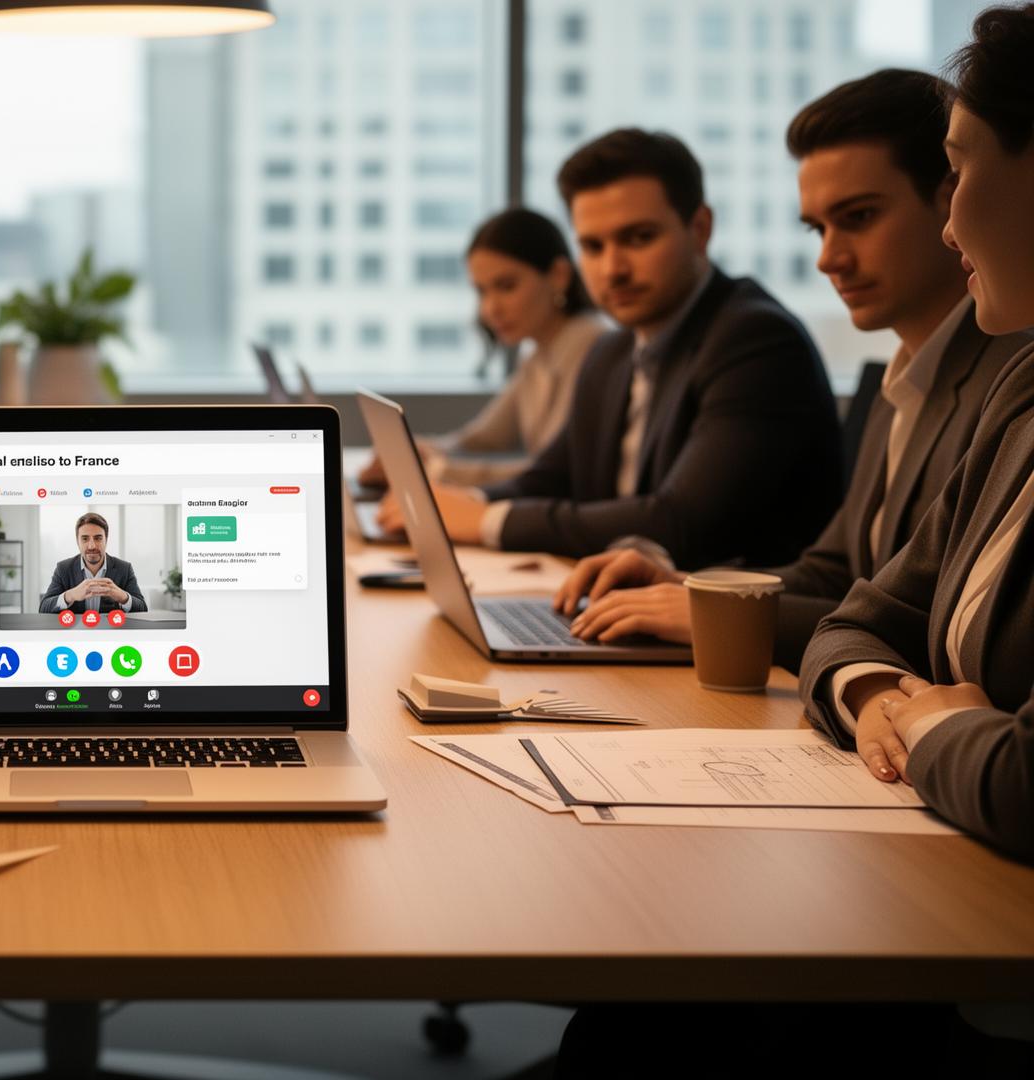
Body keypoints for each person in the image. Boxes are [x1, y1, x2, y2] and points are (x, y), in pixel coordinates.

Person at [551, 69, 1032, 669]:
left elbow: (935, 622)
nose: (828, 258)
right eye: (818, 228)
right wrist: (691, 588)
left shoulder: (1009, 380)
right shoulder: (900, 375)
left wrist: (721, 613)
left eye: (857, 217)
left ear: (948, 197)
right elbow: (836, 572)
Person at [379, 129, 843, 569]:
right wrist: (462, 505)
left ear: (699, 228)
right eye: (593, 246)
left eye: (638, 238)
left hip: (732, 636)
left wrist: (484, 521)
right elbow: (552, 477)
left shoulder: (755, 340)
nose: (612, 268)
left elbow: (681, 524)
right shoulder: (614, 351)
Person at [798, 1, 1034, 862]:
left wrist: (938, 729)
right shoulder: (1025, 392)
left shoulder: (999, 372)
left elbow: (1021, 781)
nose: (950, 220)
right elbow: (855, 611)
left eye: (962, 173)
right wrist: (876, 692)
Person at [362, 208, 606, 487]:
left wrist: (440, 470)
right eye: (481, 291)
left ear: (558, 275)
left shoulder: (594, 347)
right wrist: (418, 452)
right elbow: (481, 440)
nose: (490, 308)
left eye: (506, 286)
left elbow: (555, 474)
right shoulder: (538, 356)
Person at [38, 511, 146, 615]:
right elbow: (43, 608)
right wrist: (70, 595)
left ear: (106, 540)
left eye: (98, 538)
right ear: (77, 541)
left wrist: (122, 597)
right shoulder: (63, 568)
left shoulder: (124, 568)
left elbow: (143, 609)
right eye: (85, 539)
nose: (92, 546)